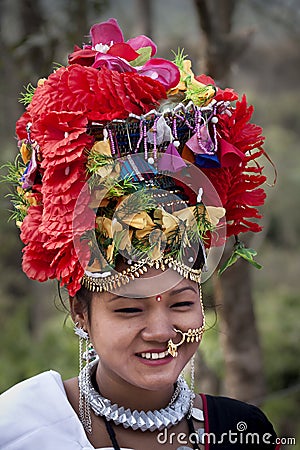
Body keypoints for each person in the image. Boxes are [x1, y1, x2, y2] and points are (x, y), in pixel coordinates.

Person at [0, 18, 280, 450]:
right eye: (129, 311)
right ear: (81, 314)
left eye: (182, 303)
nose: (160, 329)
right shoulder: (22, 429)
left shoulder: (241, 431)